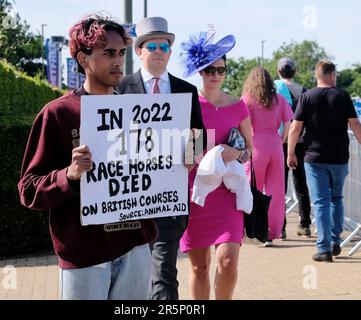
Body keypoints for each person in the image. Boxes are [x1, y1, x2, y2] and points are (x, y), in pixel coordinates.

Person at [17, 14, 158, 300]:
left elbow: (153, 175)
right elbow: (28, 189)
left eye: (121, 53)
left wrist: (179, 161)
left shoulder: (138, 111)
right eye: (108, 53)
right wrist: (68, 175)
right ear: (83, 59)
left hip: (135, 247)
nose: (118, 61)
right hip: (83, 254)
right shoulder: (58, 113)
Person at [118, 16, 206, 300]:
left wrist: (194, 151)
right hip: (130, 199)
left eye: (164, 46)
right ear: (139, 51)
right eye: (151, 45)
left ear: (170, 52)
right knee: (132, 274)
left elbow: (200, 135)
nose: (158, 50)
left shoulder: (187, 91)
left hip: (170, 198)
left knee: (163, 271)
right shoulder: (120, 89)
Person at [179, 32, 253, 300]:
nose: (215, 74)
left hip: (228, 195)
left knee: (228, 260)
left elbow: (249, 151)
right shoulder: (188, 104)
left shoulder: (238, 106)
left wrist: (236, 154)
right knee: (200, 266)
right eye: (209, 69)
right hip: (196, 193)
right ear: (200, 71)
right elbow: (185, 152)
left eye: (220, 69)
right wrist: (195, 152)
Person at [287, 60, 361, 262]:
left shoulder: (307, 96)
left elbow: (295, 128)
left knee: (321, 202)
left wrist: (290, 152)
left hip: (314, 158)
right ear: (331, 75)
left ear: (318, 76)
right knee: (336, 199)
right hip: (339, 158)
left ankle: (324, 248)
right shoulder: (342, 96)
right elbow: (355, 124)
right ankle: (336, 241)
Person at [242, 67, 294, 246]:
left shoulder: (248, 100)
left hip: (256, 145)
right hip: (275, 145)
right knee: (276, 192)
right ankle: (272, 232)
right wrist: (281, 139)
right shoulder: (278, 99)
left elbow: (242, 124)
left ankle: (253, 229)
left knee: (252, 188)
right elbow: (288, 122)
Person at [274, 57, 312, 239]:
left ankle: (280, 227)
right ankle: (305, 224)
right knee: (301, 183)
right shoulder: (304, 92)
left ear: (278, 71)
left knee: (279, 185)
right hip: (299, 142)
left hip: (279, 142)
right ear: (294, 71)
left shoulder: (274, 90)